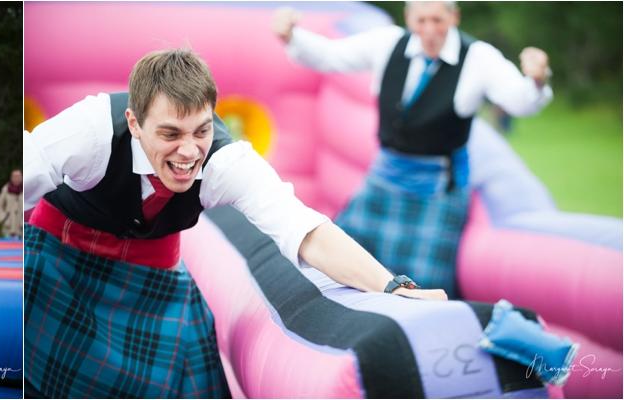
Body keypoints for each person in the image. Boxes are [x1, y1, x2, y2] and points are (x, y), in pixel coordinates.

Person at [22, 48, 451, 398]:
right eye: (170, 134)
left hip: (152, 274)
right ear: (135, 122)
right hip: (61, 261)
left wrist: (392, 287)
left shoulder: (227, 161)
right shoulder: (93, 129)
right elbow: (24, 173)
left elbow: (305, 231)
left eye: (201, 130)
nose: (189, 152)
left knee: (193, 381)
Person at [273, 1, 552, 297]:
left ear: (454, 16)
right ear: (408, 18)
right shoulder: (387, 43)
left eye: (437, 20)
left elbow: (517, 99)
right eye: (421, 21)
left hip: (437, 190)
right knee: (340, 256)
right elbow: (331, 56)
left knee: (426, 284)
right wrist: (292, 36)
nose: (429, 30)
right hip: (385, 177)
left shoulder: (478, 58)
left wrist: (536, 81)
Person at [0, 170, 25, 238]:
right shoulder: (5, 189)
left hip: (22, 226)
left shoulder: (26, 188)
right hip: (8, 226)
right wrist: (3, 219)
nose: (16, 178)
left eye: (18, 176)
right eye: (15, 176)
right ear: (11, 178)